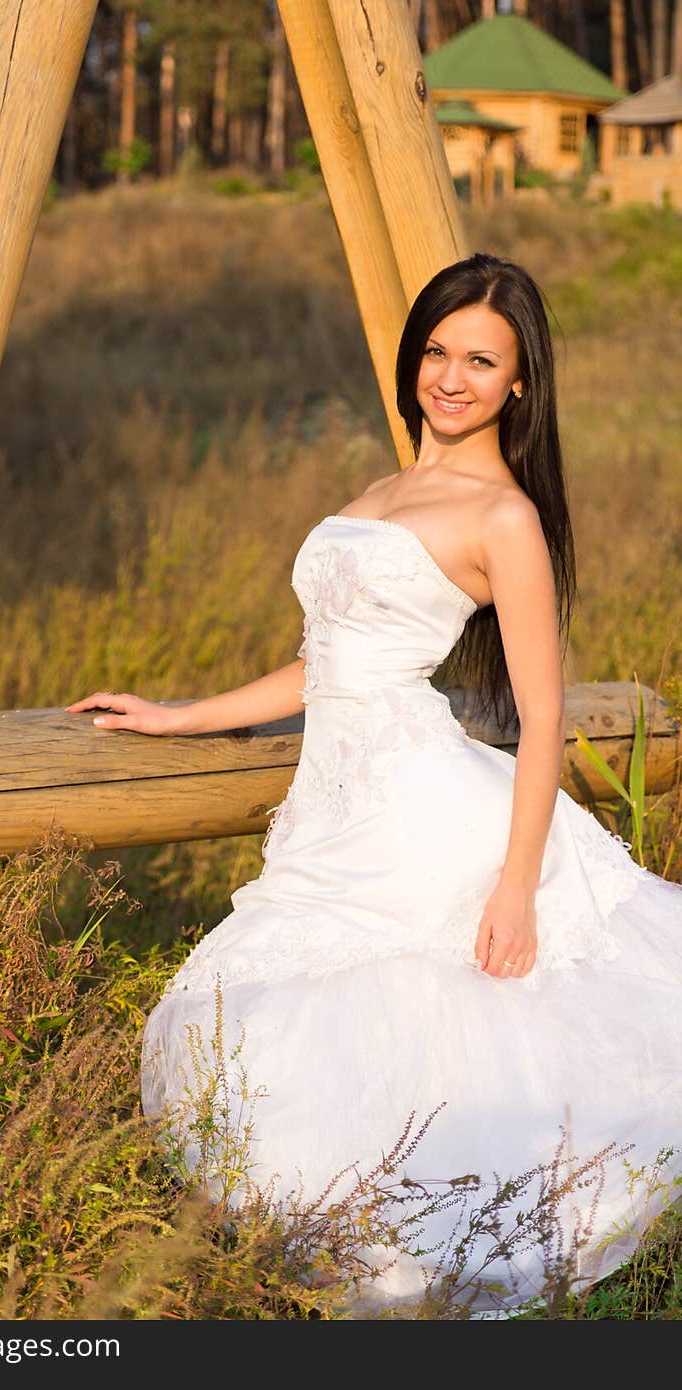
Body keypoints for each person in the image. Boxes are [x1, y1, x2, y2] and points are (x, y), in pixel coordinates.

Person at [65, 253, 682, 1317]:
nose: (450, 376)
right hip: (332, 816)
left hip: (425, 815)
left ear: (518, 381)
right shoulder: (379, 490)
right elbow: (327, 663)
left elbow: (540, 716)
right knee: (268, 1023)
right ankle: (338, 1251)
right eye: (437, 351)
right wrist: (179, 713)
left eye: (480, 360)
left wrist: (513, 886)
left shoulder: (504, 518)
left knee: (414, 1034)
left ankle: (408, 1262)